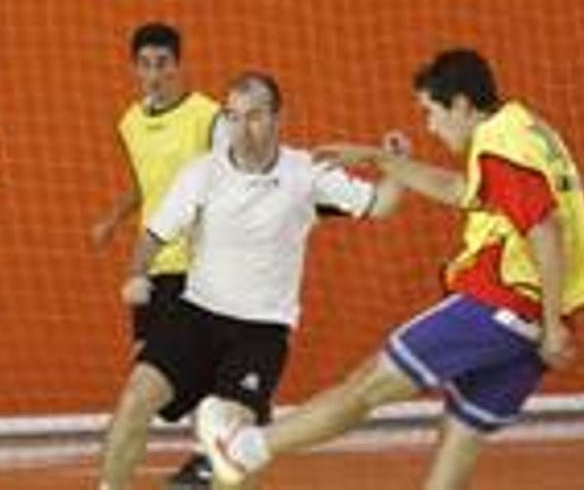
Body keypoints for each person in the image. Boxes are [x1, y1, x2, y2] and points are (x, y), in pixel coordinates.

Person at [196, 49, 584, 490]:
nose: (430, 126)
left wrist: (553, 324)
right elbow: (459, 190)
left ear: (460, 104)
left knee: (367, 387)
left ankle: (241, 451)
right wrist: (377, 158)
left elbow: (545, 228)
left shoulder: (499, 145)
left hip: (500, 305)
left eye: (431, 113)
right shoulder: (525, 127)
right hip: (529, 322)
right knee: (459, 438)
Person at [97, 71, 403, 490]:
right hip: (196, 315)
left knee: (234, 445)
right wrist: (136, 275)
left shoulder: (307, 173)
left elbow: (381, 204)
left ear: (280, 118)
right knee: (134, 400)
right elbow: (154, 235)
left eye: (255, 116)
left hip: (259, 332)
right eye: (233, 117)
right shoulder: (202, 173)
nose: (242, 128)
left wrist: (395, 164)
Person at [91, 22, 224, 488]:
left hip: (202, 263)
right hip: (153, 266)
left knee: (183, 370)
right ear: (134, 69)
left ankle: (206, 455)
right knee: (156, 375)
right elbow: (146, 185)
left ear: (179, 65)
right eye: (145, 65)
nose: (154, 74)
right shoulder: (129, 122)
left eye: (163, 64)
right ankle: (207, 448)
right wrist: (113, 218)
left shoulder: (209, 117)